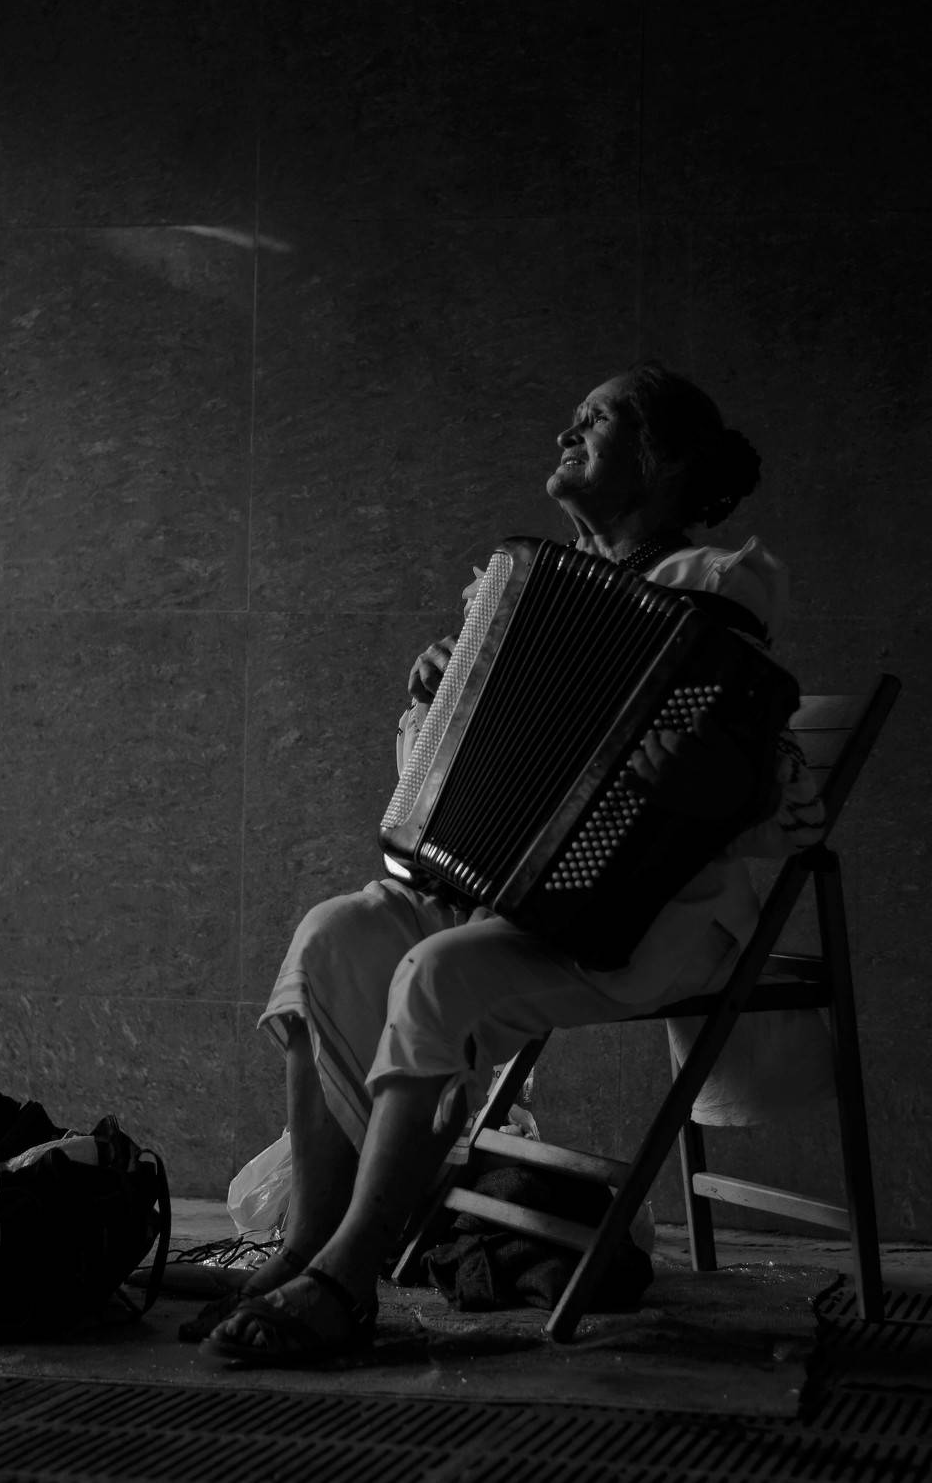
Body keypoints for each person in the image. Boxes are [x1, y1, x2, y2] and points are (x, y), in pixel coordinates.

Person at [201, 360, 823, 1367]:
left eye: (596, 421)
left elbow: (743, 769)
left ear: (661, 460)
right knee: (332, 933)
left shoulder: (713, 587)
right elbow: (445, 786)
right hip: (514, 902)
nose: (565, 436)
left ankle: (349, 1276)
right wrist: (439, 697)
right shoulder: (518, 590)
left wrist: (689, 769)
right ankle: (306, 1244)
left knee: (434, 972)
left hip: (651, 919)